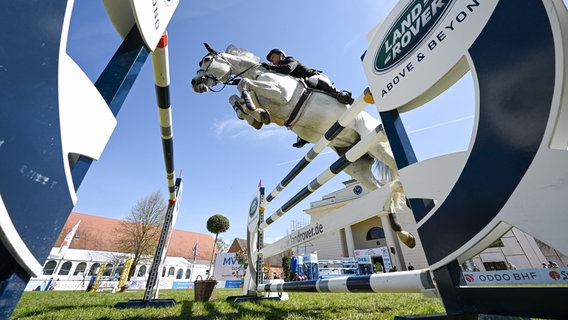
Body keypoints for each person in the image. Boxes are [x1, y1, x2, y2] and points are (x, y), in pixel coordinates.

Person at [262, 48, 355, 148]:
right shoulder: (278, 71)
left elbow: (288, 69)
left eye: (272, 57)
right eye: (270, 60)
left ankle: (339, 95)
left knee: (310, 80)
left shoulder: (290, 60)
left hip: (316, 77)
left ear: (281, 55)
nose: (271, 60)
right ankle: (304, 136)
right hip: (305, 89)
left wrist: (269, 67)